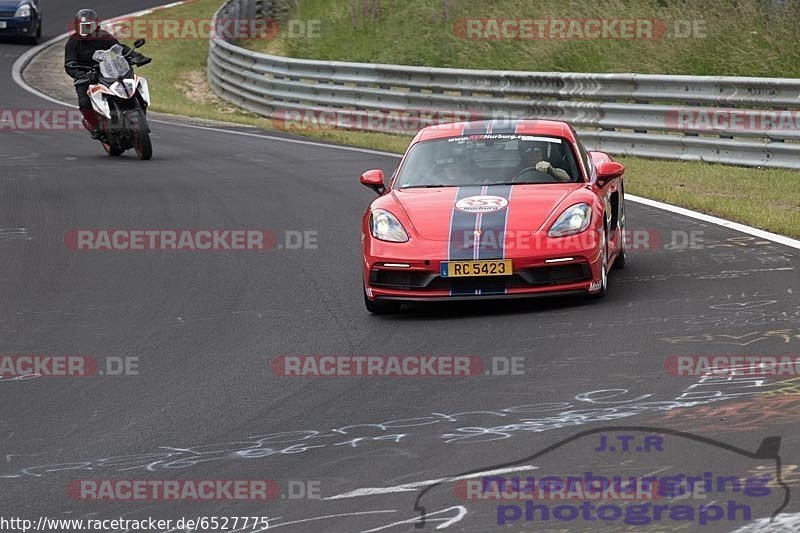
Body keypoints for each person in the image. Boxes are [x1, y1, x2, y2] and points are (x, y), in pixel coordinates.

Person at [64, 9, 146, 139]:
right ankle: (95, 126)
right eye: (83, 27)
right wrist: (82, 75)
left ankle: (140, 111)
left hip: (107, 71)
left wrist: (136, 56)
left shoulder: (104, 36)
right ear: (77, 27)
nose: (87, 30)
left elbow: (119, 48)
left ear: (96, 26)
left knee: (132, 85)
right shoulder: (73, 42)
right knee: (85, 102)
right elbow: (69, 64)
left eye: (89, 26)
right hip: (86, 76)